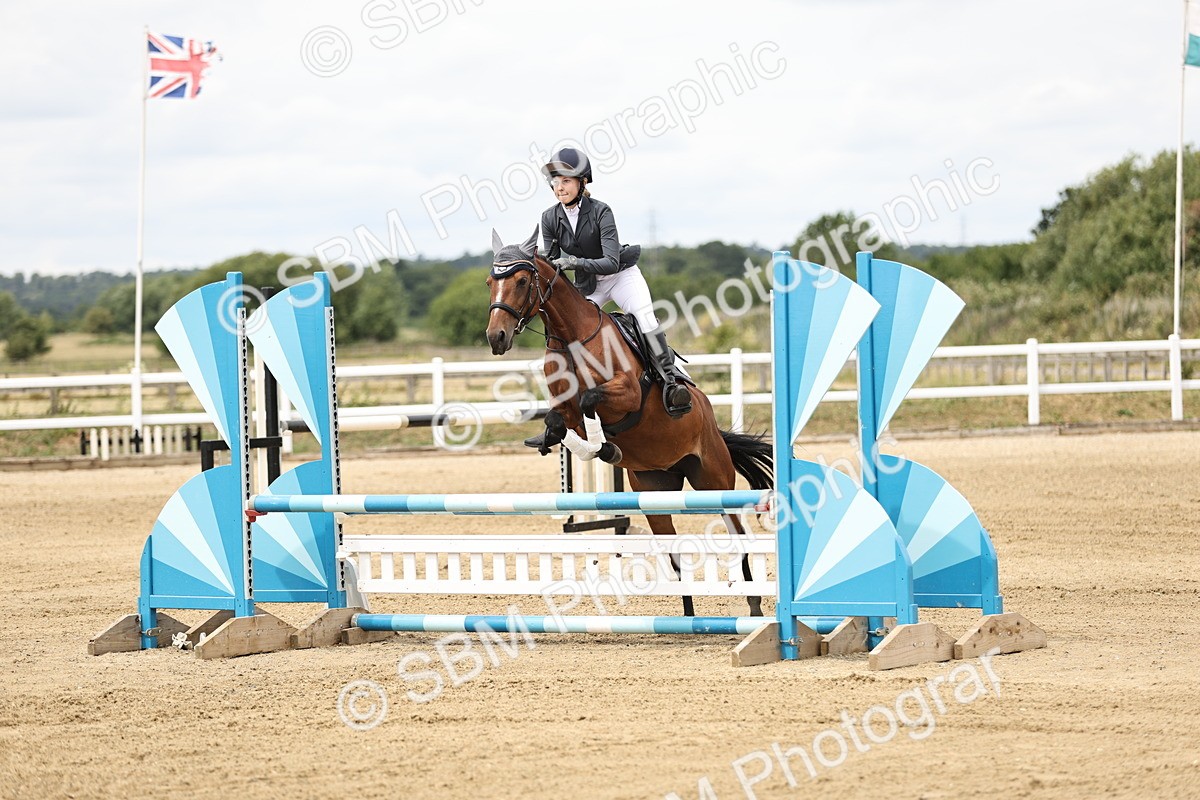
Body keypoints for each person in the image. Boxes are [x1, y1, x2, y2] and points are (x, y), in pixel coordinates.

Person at [524, 146, 692, 450]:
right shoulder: (549, 217)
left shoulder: (601, 211)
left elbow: (611, 262)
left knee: (645, 318)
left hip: (620, 277)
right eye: (555, 183)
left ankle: (669, 383)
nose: (559, 188)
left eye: (565, 181)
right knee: (564, 333)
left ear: (582, 182)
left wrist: (573, 263)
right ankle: (558, 411)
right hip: (590, 285)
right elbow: (549, 262)